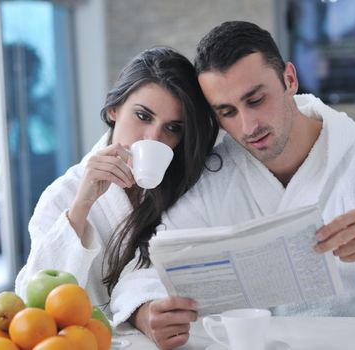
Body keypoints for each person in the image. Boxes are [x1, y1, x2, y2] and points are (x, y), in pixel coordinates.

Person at [113, 21, 355, 349]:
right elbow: (145, 268)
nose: (247, 126)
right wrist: (146, 312)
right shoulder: (217, 173)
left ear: (290, 79)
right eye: (226, 112)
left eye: (256, 100)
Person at [14, 47, 219, 327]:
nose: (154, 137)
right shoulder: (63, 194)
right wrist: (81, 207)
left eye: (172, 128)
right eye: (143, 116)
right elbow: (32, 300)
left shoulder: (191, 186)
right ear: (114, 109)